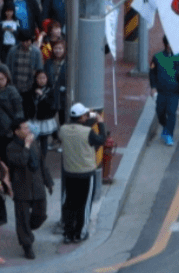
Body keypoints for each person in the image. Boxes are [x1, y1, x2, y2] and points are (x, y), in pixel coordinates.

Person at [58, 103, 105, 243]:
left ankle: (68, 233)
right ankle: (80, 232)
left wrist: (87, 116)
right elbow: (101, 139)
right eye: (85, 114)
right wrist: (100, 122)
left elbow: (76, 125)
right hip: (86, 173)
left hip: (69, 173)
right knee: (84, 204)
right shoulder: (88, 132)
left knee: (69, 203)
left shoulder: (63, 130)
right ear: (81, 117)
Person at [6, 117, 52, 259]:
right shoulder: (11, 148)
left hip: (37, 185)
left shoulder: (34, 143)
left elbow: (42, 163)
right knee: (22, 217)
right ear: (16, 131)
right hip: (22, 188)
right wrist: (26, 146)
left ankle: (25, 229)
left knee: (41, 215)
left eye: (28, 127)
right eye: (25, 128)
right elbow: (21, 161)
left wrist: (48, 182)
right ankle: (27, 245)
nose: (28, 130)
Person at [150, 35, 179, 146]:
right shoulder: (157, 57)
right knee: (160, 112)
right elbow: (152, 73)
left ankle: (169, 134)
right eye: (170, 43)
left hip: (174, 91)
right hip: (161, 91)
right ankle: (165, 127)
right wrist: (153, 87)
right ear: (166, 44)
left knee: (171, 113)